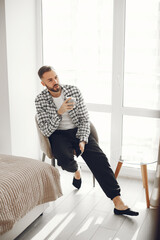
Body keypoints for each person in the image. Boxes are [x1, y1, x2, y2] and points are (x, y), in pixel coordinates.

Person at [35, 65, 139, 216]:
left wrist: (83, 140)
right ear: (43, 83)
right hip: (58, 134)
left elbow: (84, 119)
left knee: (100, 160)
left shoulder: (73, 91)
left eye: (56, 77)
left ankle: (118, 202)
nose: (55, 81)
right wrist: (59, 112)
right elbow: (46, 130)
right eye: (50, 80)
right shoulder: (40, 100)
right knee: (64, 159)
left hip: (78, 130)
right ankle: (76, 170)